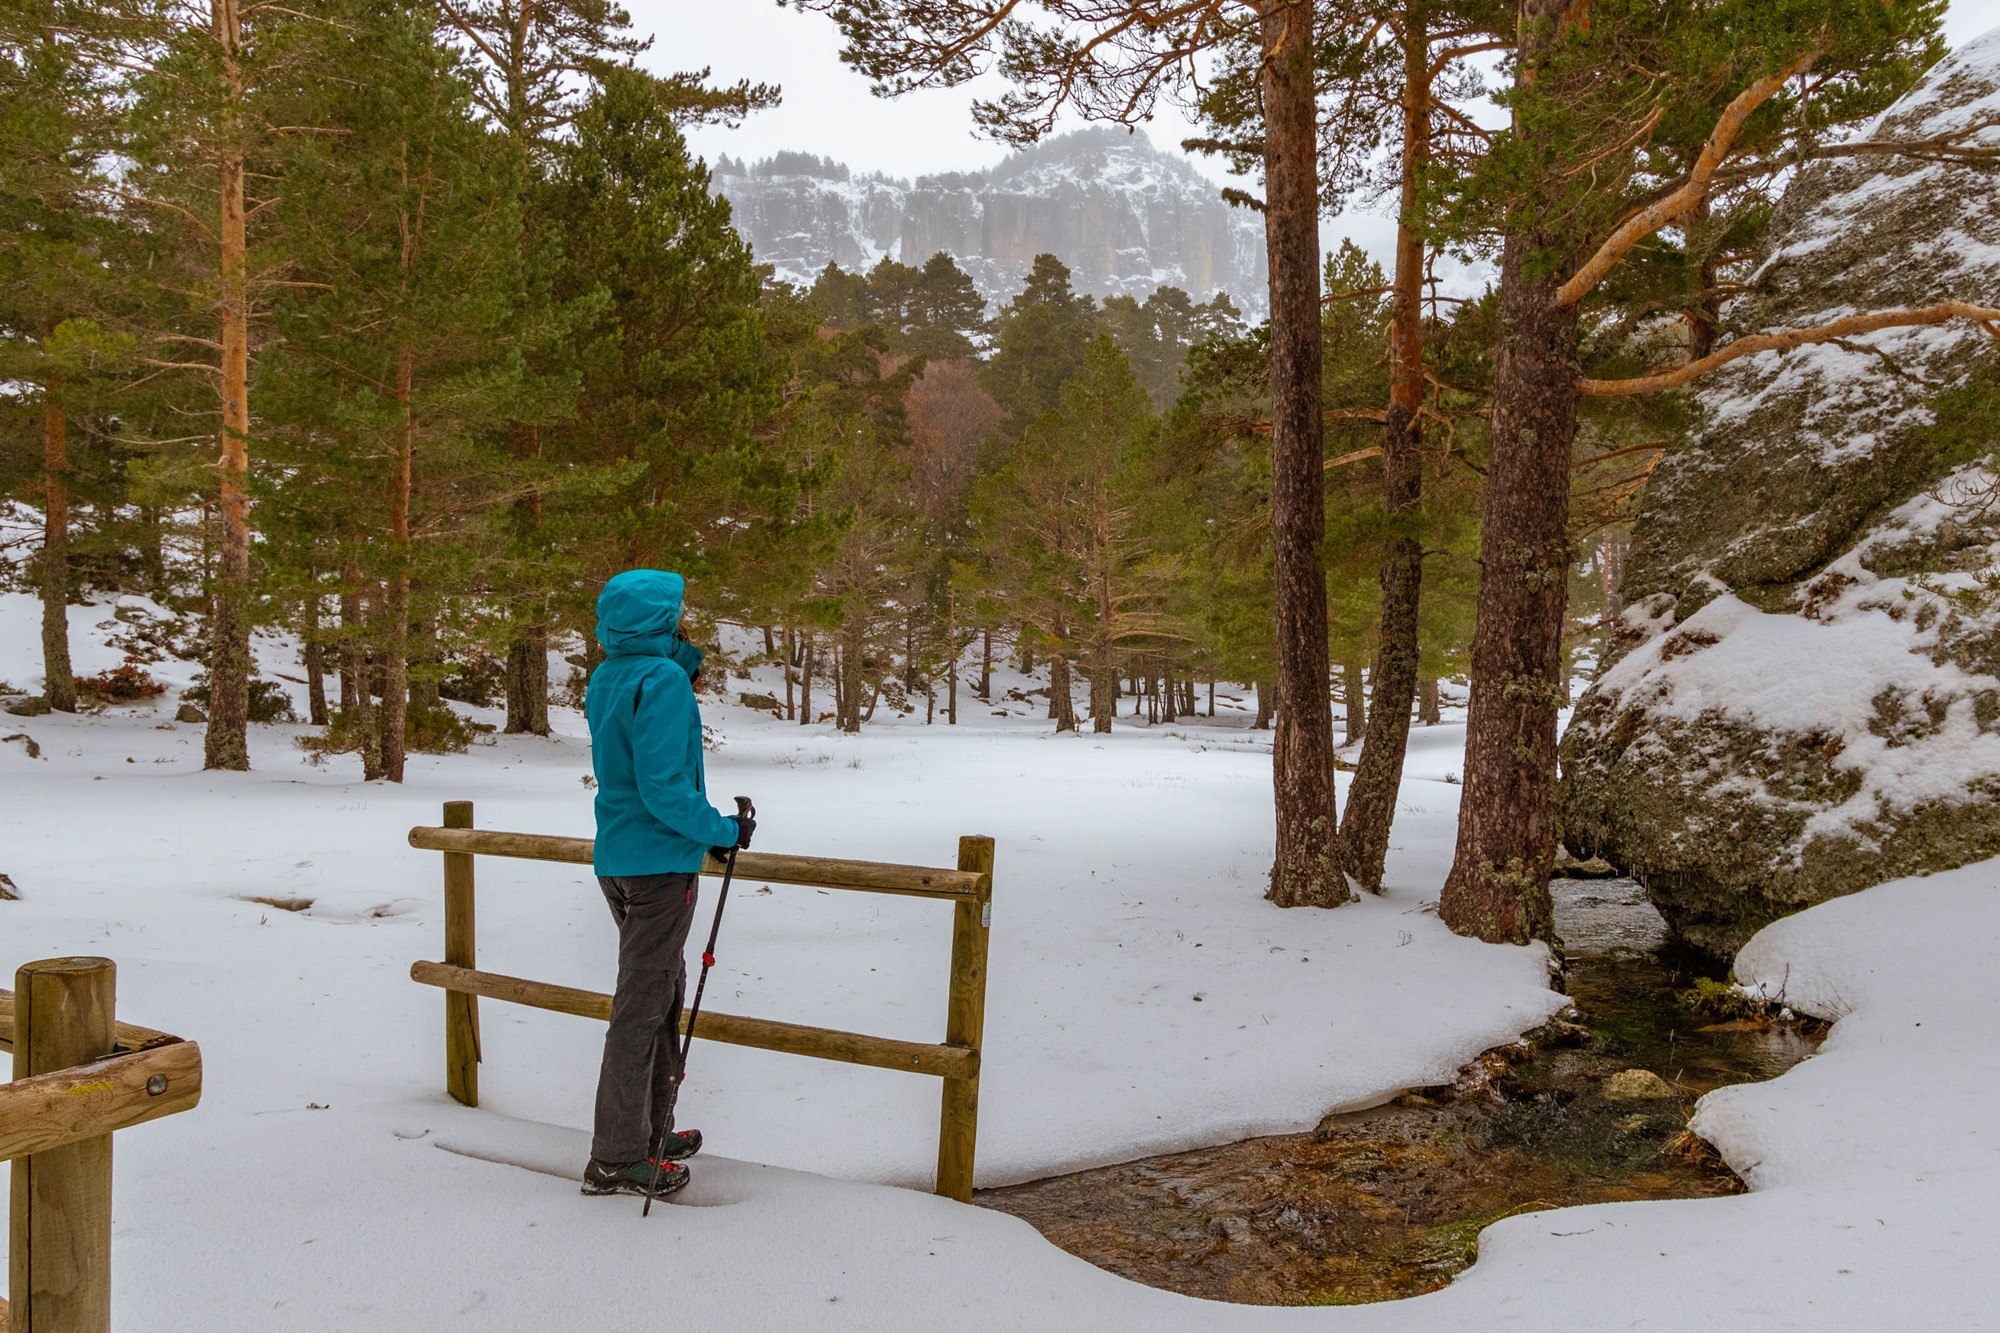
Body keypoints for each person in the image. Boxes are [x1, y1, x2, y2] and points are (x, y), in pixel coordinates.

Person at [580, 569, 754, 1201]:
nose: (686, 618)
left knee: (658, 994)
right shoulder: (665, 680)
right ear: (662, 619)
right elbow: (662, 787)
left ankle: (649, 1132)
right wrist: (723, 830)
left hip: (620, 858)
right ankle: (617, 1157)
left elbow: (633, 778)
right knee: (642, 1006)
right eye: (679, 611)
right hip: (658, 866)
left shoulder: (610, 675)